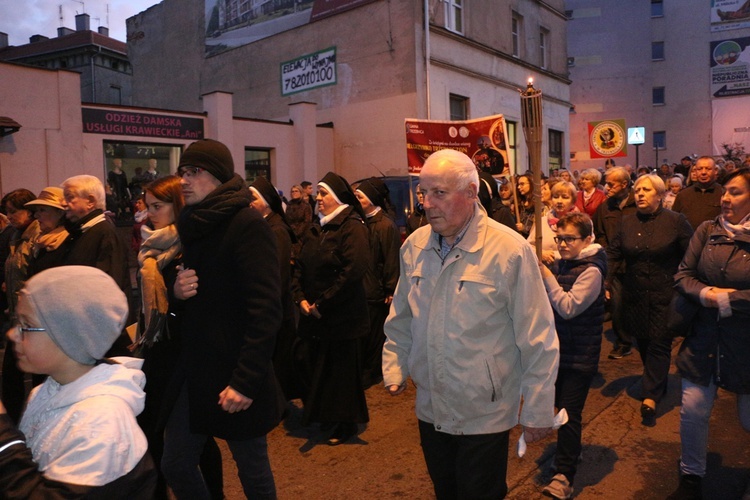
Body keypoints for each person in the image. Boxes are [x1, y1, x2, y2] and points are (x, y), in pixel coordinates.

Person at [382, 149, 559, 499]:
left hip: (485, 410)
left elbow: (537, 334)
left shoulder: (509, 250)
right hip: (431, 405)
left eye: (439, 193)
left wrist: (538, 408)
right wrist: (394, 367)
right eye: (423, 193)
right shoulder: (415, 245)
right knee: (446, 492)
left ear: (471, 193)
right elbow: (401, 315)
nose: (427, 203)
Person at [165, 138, 285, 499]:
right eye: (182, 172)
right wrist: (176, 291)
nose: (184, 180)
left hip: (235, 371)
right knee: (176, 462)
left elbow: (266, 309)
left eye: (194, 172)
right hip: (197, 370)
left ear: (217, 176)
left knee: (252, 471)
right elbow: (195, 290)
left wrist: (246, 382)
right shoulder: (194, 222)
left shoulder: (246, 223)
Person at [0, 266, 156, 497]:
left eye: (26, 324)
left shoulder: (101, 426)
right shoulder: (45, 391)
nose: (12, 334)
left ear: (69, 336)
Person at [135, 175, 223, 499]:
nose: (149, 213)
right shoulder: (152, 251)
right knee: (174, 437)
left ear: (178, 204)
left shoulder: (190, 245)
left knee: (189, 444)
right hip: (160, 355)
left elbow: (202, 307)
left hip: (185, 358)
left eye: (157, 206)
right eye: (147, 207)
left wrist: (174, 301)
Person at [668, 168, 750, 499]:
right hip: (704, 337)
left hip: (745, 343)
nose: (725, 198)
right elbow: (684, 274)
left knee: (748, 421)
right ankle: (691, 478)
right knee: (693, 411)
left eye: (735, 192)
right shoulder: (707, 229)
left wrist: (728, 299)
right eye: (725, 192)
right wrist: (706, 295)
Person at [606, 174, 693, 426]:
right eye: (636, 190)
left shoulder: (676, 222)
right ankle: (656, 381)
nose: (640, 194)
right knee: (643, 340)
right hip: (634, 293)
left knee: (658, 341)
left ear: (660, 194)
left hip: (665, 293)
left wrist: (688, 284)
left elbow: (691, 255)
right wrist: (606, 281)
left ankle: (651, 396)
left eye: (646, 190)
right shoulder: (626, 222)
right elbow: (613, 254)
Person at [291, 172, 370, 446]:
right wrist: (300, 297)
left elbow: (352, 271)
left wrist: (322, 302)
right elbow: (300, 265)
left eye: (324, 194)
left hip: (341, 316)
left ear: (337, 198)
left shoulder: (352, 227)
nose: (319, 199)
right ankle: (325, 416)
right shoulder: (318, 227)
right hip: (314, 317)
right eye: (320, 194)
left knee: (340, 374)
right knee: (316, 367)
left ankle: (344, 423)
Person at [539, 212, 606, 500]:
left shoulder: (591, 271)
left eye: (569, 239)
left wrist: (548, 277)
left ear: (588, 239)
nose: (563, 244)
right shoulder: (568, 262)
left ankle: (564, 476)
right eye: (560, 238)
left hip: (580, 354)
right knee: (558, 408)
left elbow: (568, 307)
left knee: (568, 414)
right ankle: (570, 453)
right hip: (559, 352)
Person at [60, 174, 132, 354]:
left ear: (90, 202)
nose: (63, 203)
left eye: (69, 197)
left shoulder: (104, 233)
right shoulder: (85, 232)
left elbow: (108, 286)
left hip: (98, 335)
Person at [250, 176, 300, 401]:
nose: (249, 202)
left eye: (253, 198)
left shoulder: (277, 230)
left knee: (278, 360)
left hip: (277, 309)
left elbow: (277, 274)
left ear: (267, 203)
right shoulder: (262, 226)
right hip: (270, 307)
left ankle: (279, 403)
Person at [355, 177, 400, 389]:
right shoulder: (363, 221)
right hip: (364, 287)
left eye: (360, 196)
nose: (356, 200)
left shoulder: (385, 225)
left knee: (375, 335)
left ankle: (372, 373)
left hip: (377, 289)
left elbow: (391, 258)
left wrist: (390, 287)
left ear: (372, 199)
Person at [1, 189, 41, 423]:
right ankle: (14, 423)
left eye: (13, 211)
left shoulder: (38, 237)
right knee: (12, 374)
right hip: (18, 315)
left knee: (33, 374)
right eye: (7, 212)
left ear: (29, 210)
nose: (10, 217)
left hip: (33, 319)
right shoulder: (15, 236)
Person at [593, 167, 637, 360]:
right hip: (615, 264)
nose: (607, 187)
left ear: (624, 184)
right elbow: (600, 232)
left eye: (611, 184)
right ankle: (623, 342)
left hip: (637, 264)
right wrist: (605, 250)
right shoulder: (605, 207)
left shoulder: (638, 205)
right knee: (617, 305)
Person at [528, 181, 579, 267]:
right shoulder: (541, 221)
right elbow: (528, 246)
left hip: (571, 271)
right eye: (555, 197)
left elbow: (586, 250)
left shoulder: (581, 222)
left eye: (565, 197)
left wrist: (555, 255)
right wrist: (540, 253)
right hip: (544, 273)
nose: (559, 201)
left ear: (573, 201)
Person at [672, 156, 723, 230]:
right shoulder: (683, 195)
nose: (703, 172)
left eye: (708, 169)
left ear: (715, 171)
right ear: (695, 171)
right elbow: (675, 221)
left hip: (715, 239)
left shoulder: (724, 193)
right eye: (700, 169)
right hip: (689, 240)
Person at [285, 184, 312, 261]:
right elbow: (287, 219)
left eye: (296, 191)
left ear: (300, 192)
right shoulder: (289, 205)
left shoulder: (306, 205)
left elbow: (307, 221)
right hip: (290, 235)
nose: (294, 193)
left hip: (301, 236)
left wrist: (297, 233)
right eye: (292, 191)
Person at [515, 173, 536, 238]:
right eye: (518, 184)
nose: (519, 187)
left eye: (522, 184)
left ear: (531, 184)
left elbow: (537, 227)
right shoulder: (520, 202)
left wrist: (524, 228)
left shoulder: (537, 203)